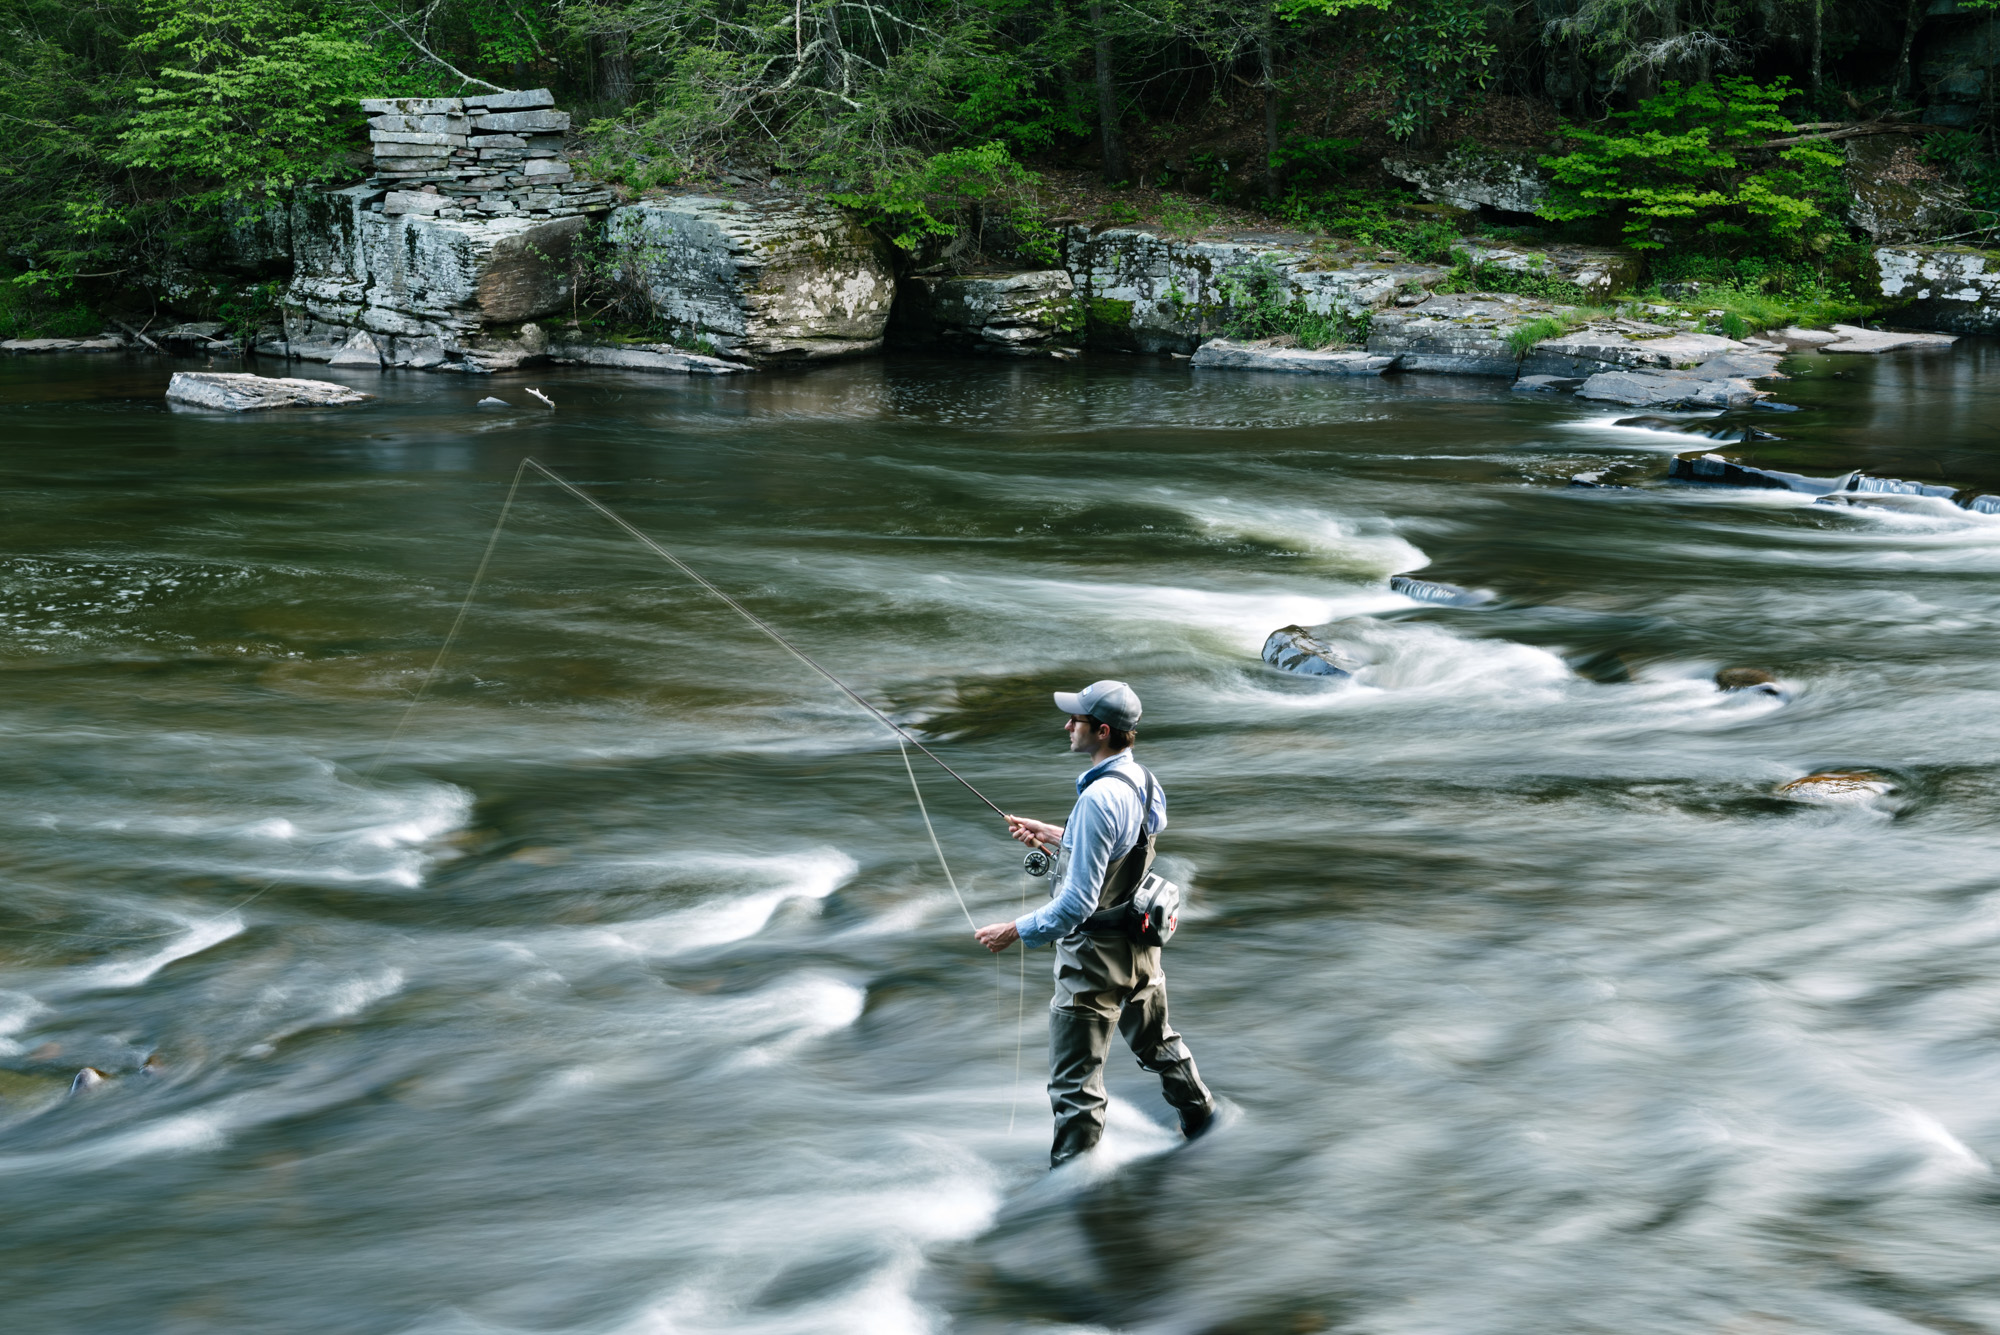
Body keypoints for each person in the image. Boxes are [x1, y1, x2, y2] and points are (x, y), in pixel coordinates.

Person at [974, 680, 1217, 1166]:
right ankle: (1207, 1124)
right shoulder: (1144, 782)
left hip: (1093, 962)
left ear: (1102, 731)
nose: (1067, 726)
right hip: (1141, 943)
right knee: (1158, 1044)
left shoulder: (1097, 799)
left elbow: (1076, 906)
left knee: (1075, 1086)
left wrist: (1013, 930)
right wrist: (1060, 837)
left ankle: (1075, 1190)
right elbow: (1123, 850)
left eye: (1076, 720)